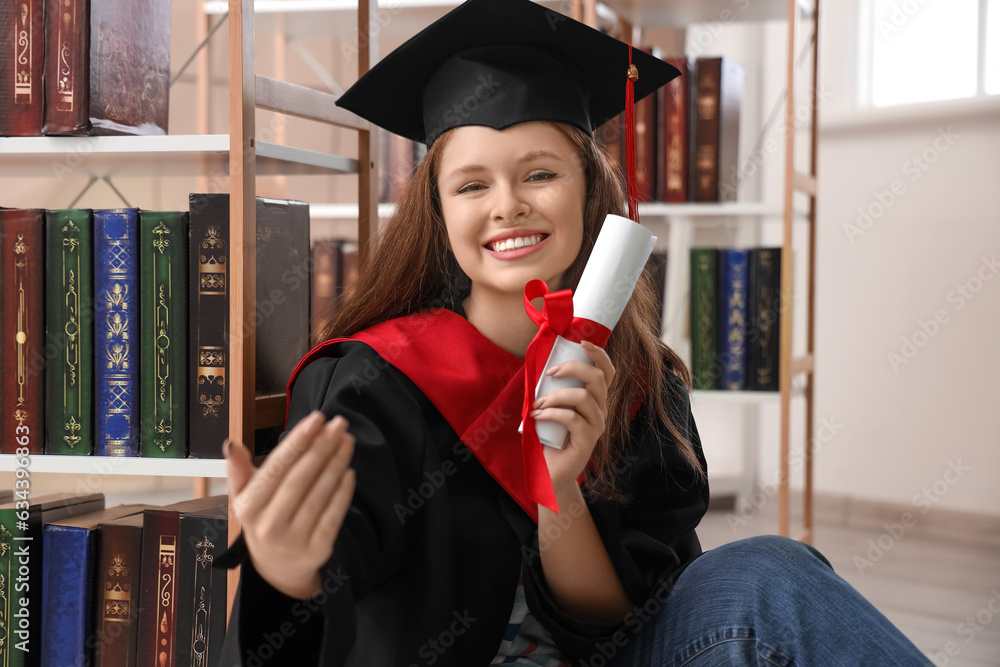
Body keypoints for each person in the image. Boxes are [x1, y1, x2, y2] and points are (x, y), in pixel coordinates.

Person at [215, 0, 933, 665]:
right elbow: (323, 581)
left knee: (769, 575)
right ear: (436, 211)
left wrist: (559, 484)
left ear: (590, 192)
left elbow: (618, 626)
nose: (508, 206)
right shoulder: (375, 379)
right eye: (471, 185)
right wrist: (285, 565)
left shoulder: (639, 381)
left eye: (539, 173)